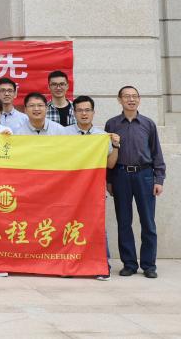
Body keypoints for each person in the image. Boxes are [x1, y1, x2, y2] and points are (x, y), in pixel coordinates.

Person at [105, 86, 165, 279]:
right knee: (124, 221)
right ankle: (129, 263)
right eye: (126, 96)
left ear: (139, 99)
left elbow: (156, 153)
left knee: (148, 222)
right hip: (120, 175)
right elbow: (106, 154)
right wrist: (109, 180)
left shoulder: (148, 124)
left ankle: (149, 265)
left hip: (144, 175)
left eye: (134, 96)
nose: (131, 100)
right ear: (119, 100)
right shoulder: (112, 124)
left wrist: (159, 179)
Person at [65, 95, 120, 281]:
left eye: (87, 110)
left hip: (93, 190)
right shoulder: (64, 134)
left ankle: (102, 265)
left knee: (96, 227)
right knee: (68, 226)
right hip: (68, 191)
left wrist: (116, 146)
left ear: (93, 113)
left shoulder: (101, 137)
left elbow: (110, 164)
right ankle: (68, 265)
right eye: (80, 110)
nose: (84, 114)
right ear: (74, 113)